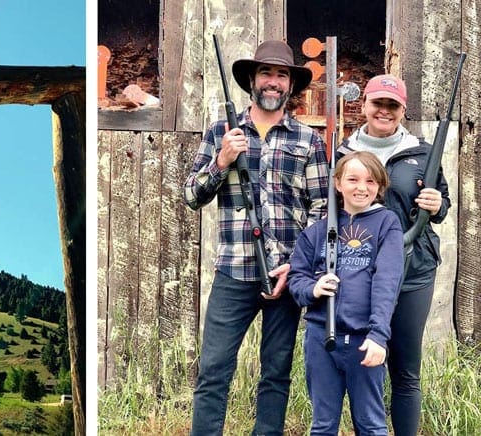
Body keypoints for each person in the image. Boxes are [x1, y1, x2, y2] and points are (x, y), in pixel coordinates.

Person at [183, 40, 330, 435]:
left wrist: (296, 265)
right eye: (266, 73)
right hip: (233, 271)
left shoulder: (308, 140)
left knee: (276, 374)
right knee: (213, 371)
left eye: (281, 75)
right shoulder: (221, 131)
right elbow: (191, 196)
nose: (273, 82)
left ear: (290, 85)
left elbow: (321, 211)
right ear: (252, 79)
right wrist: (222, 161)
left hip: (285, 276)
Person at [336, 74, 450, 435]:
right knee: (364, 364)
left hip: (413, 271)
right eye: (378, 103)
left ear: (403, 110)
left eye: (392, 105)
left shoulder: (423, 151)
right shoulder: (343, 151)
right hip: (359, 272)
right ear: (364, 105)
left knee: (405, 370)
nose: (384, 111)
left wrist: (437, 203)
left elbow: (442, 204)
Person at [289, 151, 404, 435]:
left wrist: (378, 336)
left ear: (379, 187)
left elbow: (387, 281)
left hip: (364, 341)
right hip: (320, 339)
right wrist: (313, 289)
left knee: (370, 423)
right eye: (352, 179)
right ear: (338, 183)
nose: (361, 187)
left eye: (370, 181)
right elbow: (296, 278)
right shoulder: (317, 232)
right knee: (323, 424)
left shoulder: (386, 223)